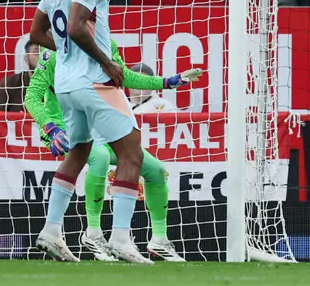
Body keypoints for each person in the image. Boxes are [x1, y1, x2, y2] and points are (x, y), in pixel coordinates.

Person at [28, 0, 148, 263]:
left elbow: (36, 33)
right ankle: (121, 238)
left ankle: (51, 230)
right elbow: (79, 27)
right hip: (94, 80)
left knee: (78, 152)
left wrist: (66, 53)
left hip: (66, 84)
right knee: (131, 153)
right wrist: (106, 63)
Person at [25, 40, 201, 261]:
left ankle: (159, 239)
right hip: (65, 126)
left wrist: (168, 82)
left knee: (155, 170)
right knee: (98, 156)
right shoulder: (53, 53)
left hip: (104, 124)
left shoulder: (106, 43)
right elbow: (32, 96)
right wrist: (49, 127)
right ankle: (94, 233)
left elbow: (125, 76)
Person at [0, 42, 40, 112]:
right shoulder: (9, 84)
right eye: (37, 52)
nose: (43, 57)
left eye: (47, 52)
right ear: (26, 59)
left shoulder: (58, 84)